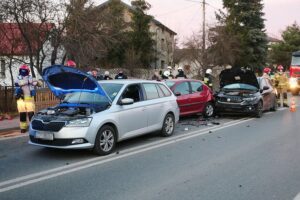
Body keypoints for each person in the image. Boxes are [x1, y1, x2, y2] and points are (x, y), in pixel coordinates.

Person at [15, 65, 42, 133]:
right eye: (22, 70)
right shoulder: (18, 78)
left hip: (29, 99)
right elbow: (19, 83)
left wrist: (37, 81)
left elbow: (40, 84)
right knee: (22, 114)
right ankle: (23, 128)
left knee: (31, 114)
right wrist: (28, 81)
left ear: (28, 71)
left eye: (25, 70)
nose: (23, 72)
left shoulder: (31, 78)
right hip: (21, 99)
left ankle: (32, 127)